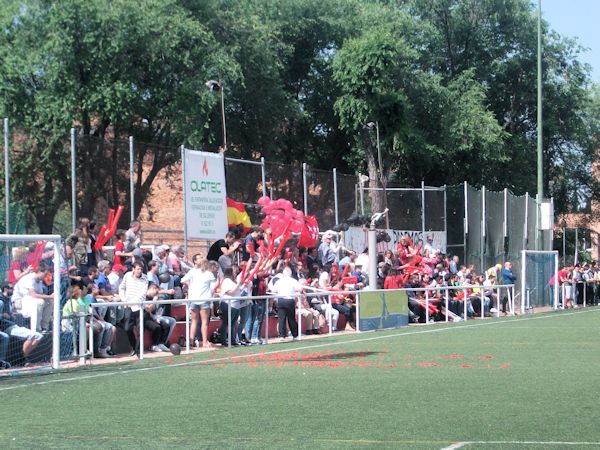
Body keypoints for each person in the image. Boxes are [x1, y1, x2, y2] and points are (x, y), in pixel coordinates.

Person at [0, 283, 43, 367]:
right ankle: (23, 360)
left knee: (39, 336)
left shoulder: (9, 300)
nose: (13, 290)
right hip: (7, 326)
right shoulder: (2, 300)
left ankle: (24, 358)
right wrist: (4, 315)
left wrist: (11, 314)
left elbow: (9, 313)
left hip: (13, 325)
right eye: (11, 288)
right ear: (5, 289)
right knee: (32, 336)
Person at [181, 256, 219, 350]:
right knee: (204, 322)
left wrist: (190, 285)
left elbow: (183, 280)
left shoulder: (193, 271)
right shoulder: (208, 274)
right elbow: (213, 287)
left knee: (194, 321)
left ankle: (191, 341)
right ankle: (204, 342)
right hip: (204, 300)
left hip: (194, 299)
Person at [118, 261, 148, 356]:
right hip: (128, 306)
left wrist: (133, 302)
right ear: (133, 269)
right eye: (138, 269)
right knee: (127, 328)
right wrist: (124, 300)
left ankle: (139, 351)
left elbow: (143, 293)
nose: (140, 271)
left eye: (141, 269)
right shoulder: (127, 276)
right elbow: (121, 288)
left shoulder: (145, 278)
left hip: (139, 307)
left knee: (140, 329)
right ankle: (134, 346)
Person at [11, 263, 53, 332]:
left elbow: (40, 294)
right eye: (45, 274)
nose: (45, 276)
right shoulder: (30, 278)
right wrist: (49, 296)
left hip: (28, 300)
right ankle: (36, 329)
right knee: (40, 302)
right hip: (18, 302)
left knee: (49, 302)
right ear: (39, 271)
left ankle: (44, 327)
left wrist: (49, 298)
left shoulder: (39, 281)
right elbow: (33, 295)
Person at [271, 266, 302, 341]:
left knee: (281, 318)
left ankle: (282, 335)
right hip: (290, 300)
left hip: (281, 300)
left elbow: (273, 290)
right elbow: (300, 288)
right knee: (291, 319)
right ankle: (295, 335)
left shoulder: (279, 281)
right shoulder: (293, 281)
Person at [218, 266, 244, 345]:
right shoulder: (226, 281)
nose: (236, 272)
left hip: (235, 304)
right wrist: (238, 284)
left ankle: (232, 340)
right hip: (228, 304)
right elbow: (231, 292)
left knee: (233, 323)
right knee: (226, 322)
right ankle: (223, 340)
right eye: (234, 271)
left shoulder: (233, 281)